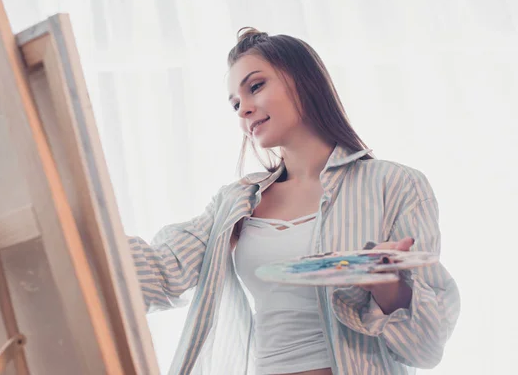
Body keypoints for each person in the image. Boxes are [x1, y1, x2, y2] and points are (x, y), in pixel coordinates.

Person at [128, 28, 460, 375]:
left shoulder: (396, 184)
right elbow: (159, 275)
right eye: (235, 104)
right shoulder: (237, 202)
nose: (244, 109)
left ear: (303, 80)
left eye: (255, 87)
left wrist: (386, 285)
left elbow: (427, 347)